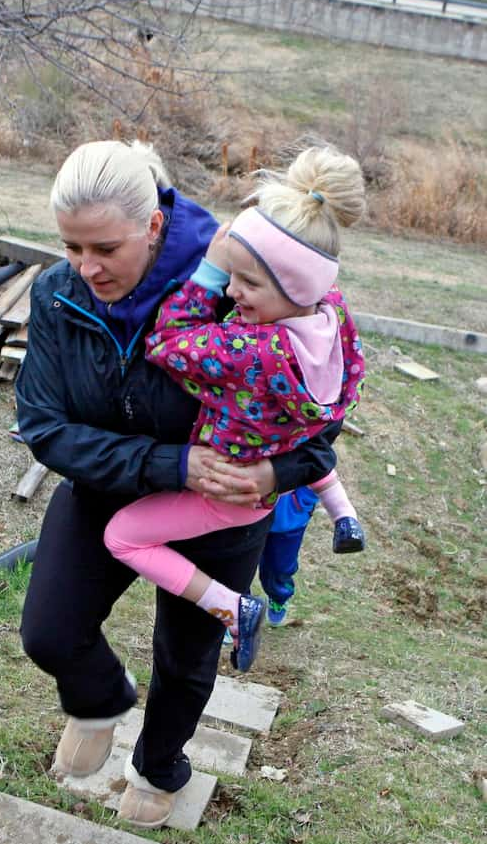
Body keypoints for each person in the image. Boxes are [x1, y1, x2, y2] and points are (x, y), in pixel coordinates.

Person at [15, 140, 340, 830]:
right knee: (49, 631)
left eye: (104, 247)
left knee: (187, 656)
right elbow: (43, 428)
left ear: (154, 226)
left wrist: (269, 474)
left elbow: (317, 439)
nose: (85, 266)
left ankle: (160, 766)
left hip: (217, 508)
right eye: (71, 246)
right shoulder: (57, 295)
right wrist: (171, 464)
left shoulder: (238, 289)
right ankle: (102, 701)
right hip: (109, 487)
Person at [103, 145, 366, 660]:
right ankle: (343, 511)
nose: (233, 290)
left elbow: (168, 343)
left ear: (295, 284)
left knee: (123, 537)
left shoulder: (250, 351)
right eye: (232, 276)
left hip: (226, 496)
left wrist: (209, 269)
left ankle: (230, 608)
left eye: (249, 282)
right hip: (278, 458)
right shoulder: (334, 319)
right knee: (305, 437)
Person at [259, 486, 320, 627]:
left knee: (280, 567)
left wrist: (303, 500)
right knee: (238, 568)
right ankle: (237, 612)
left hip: (290, 519)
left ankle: (278, 597)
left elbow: (320, 468)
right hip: (246, 513)